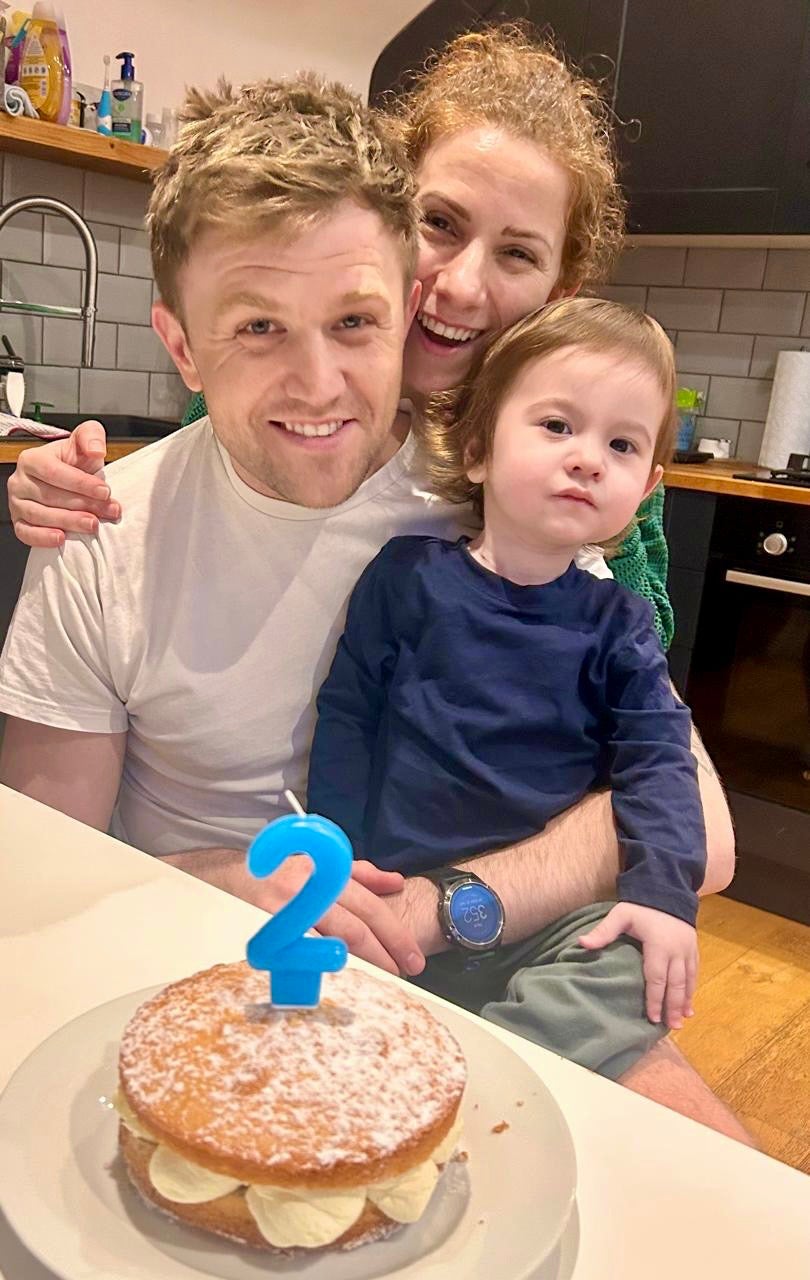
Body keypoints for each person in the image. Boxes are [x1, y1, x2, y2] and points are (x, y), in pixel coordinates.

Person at [0, 54, 744, 1137]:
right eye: (259, 326)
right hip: (199, 956)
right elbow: (36, 879)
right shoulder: (104, 529)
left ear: (400, 308)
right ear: (183, 343)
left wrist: (453, 906)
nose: (316, 383)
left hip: (476, 959)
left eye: (354, 322)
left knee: (719, 1184)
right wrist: (214, 876)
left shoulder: (499, 502)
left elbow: (694, 821)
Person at [7, 28, 673, 645]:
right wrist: (76, 491)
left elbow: (639, 647)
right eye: (440, 222)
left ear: (559, 291)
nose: (464, 288)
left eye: (518, 255)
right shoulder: (278, 389)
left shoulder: (597, 433)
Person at [309, 297, 701, 1079]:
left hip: (549, 926)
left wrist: (663, 896)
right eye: (557, 426)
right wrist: (336, 858)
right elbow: (348, 720)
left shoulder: (618, 625)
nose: (588, 458)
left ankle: (486, 1073)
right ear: (479, 448)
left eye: (621, 444)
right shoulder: (406, 577)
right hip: (393, 899)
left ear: (647, 484)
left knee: (638, 964)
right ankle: (461, 1050)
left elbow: (660, 763)